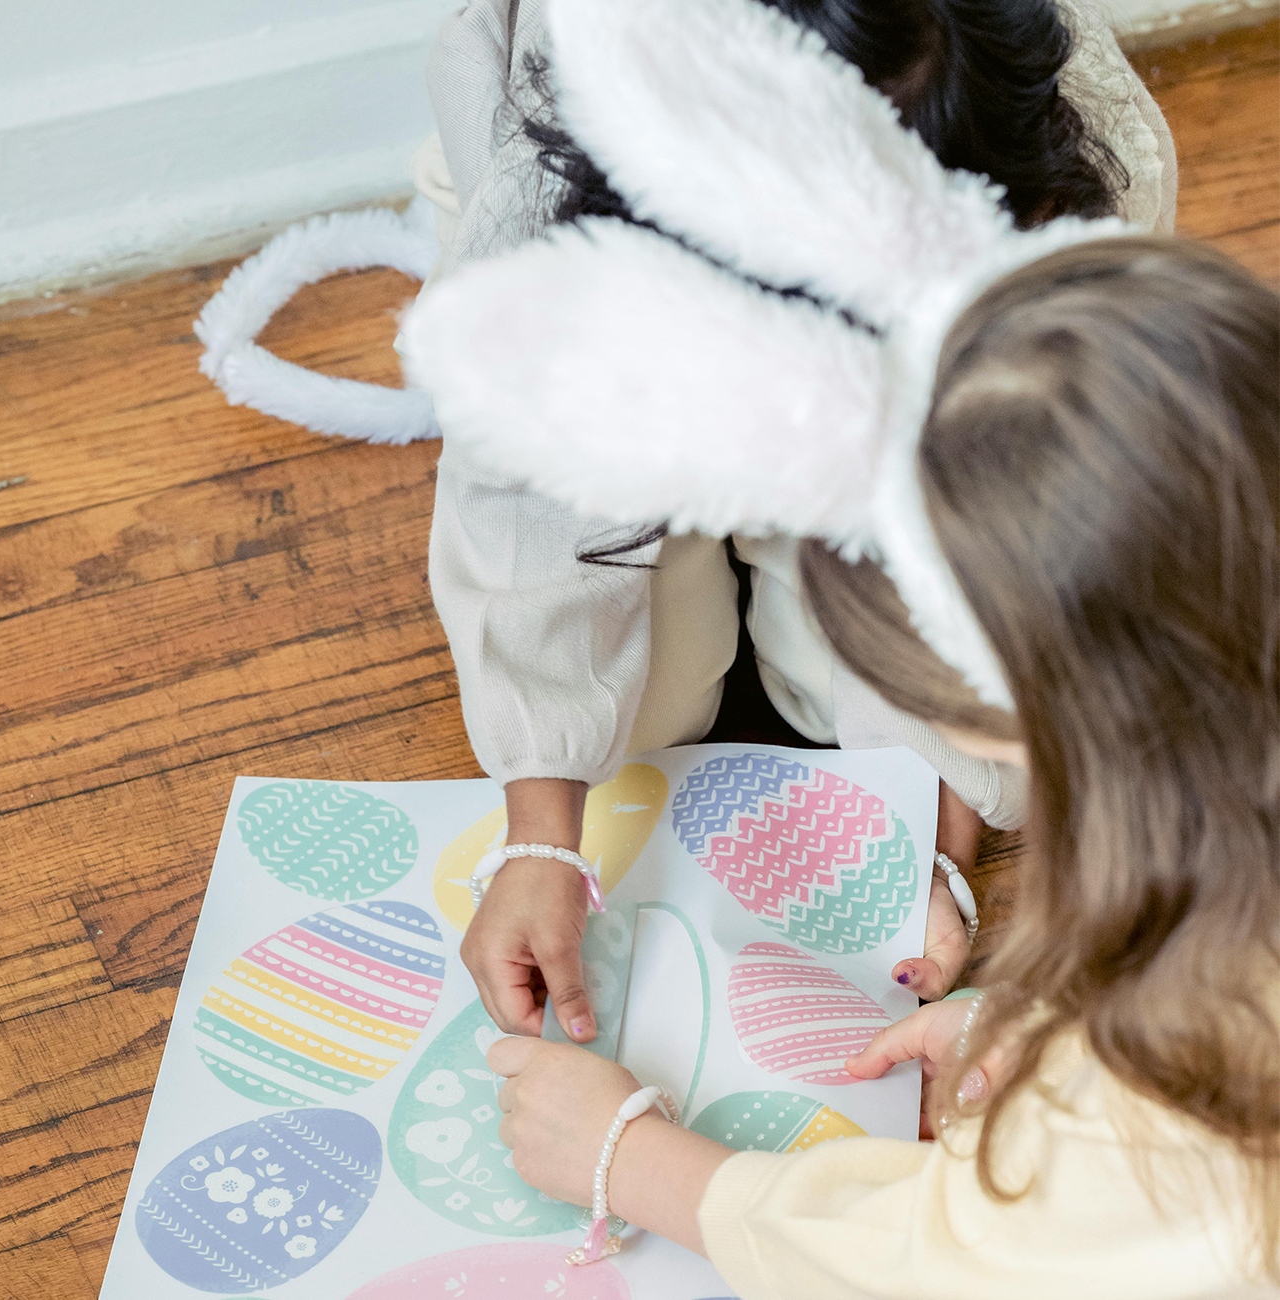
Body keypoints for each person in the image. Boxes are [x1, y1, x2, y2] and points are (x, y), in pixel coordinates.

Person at [477, 233, 1277, 1296]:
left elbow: (958, 1269)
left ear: (1022, 715)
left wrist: (638, 1164)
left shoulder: (1165, 1094)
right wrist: (1039, 1028)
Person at [407, 0, 1178, 1039]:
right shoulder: (554, 198)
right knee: (640, 722)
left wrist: (928, 838)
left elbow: (1013, 521)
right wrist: (540, 837)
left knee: (855, 690)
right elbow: (521, 509)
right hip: (586, 243)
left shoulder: (1085, 192)